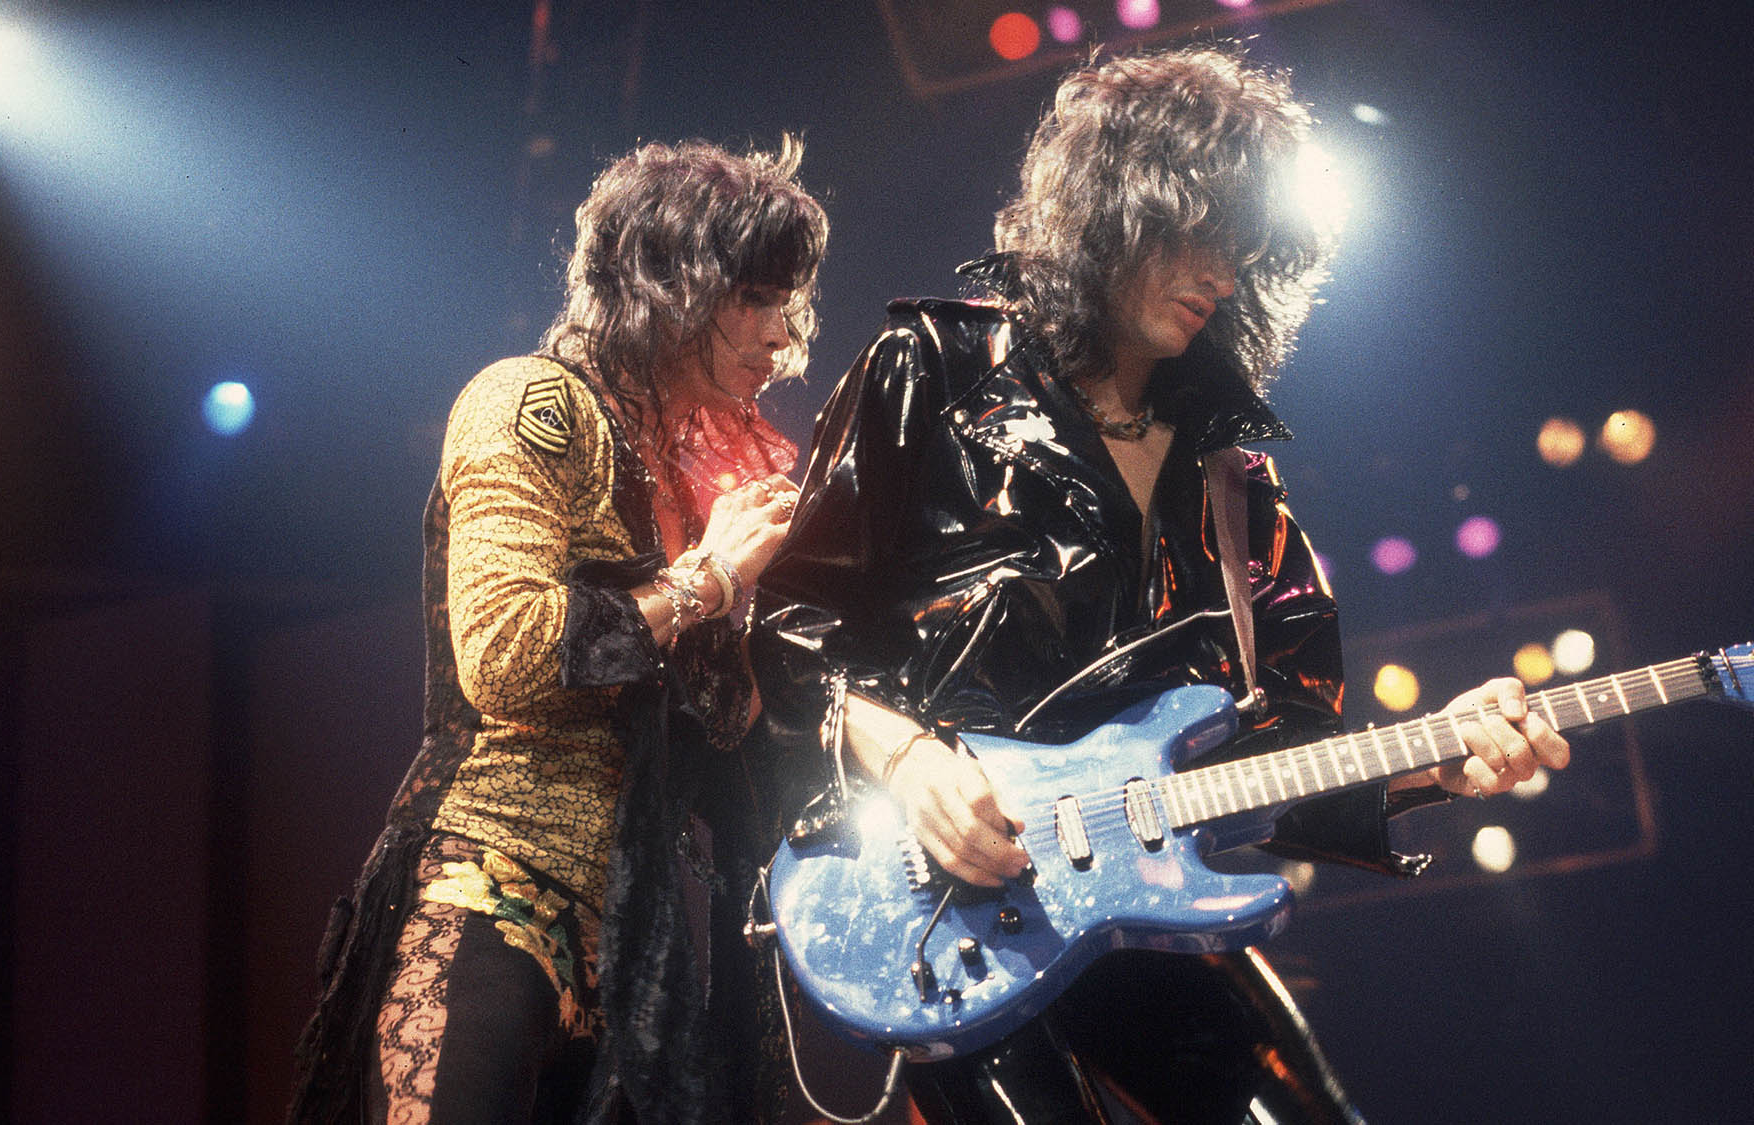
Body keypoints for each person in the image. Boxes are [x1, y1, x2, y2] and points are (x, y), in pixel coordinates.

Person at [751, 45, 1571, 1123]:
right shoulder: (936, 367)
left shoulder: (1234, 480)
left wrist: (1437, 766)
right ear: (1119, 208)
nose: (1223, 274)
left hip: (1147, 902)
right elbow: (792, 619)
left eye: (1243, 250)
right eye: (1199, 234)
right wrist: (906, 760)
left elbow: (1277, 756)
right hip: (944, 896)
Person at [288, 138, 827, 1123]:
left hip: (634, 955)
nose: (778, 331)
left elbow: (721, 741)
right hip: (492, 891)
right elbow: (506, 651)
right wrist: (705, 579)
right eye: (752, 295)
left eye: (783, 298)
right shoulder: (533, 401)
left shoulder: (685, 474)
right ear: (672, 288)